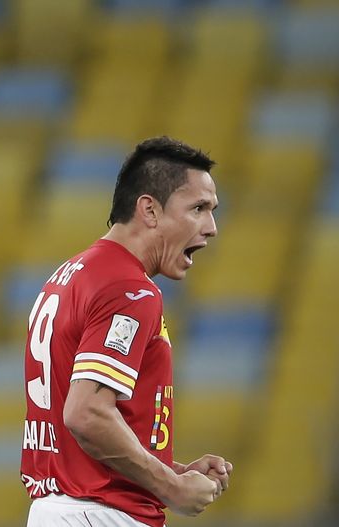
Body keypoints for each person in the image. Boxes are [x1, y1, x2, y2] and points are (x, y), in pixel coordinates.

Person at [21, 136, 233, 527]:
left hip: (62, 508)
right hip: (98, 515)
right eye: (198, 208)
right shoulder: (129, 288)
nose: (212, 227)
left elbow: (84, 437)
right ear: (149, 210)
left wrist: (173, 467)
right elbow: (86, 414)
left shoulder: (71, 275)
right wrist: (172, 486)